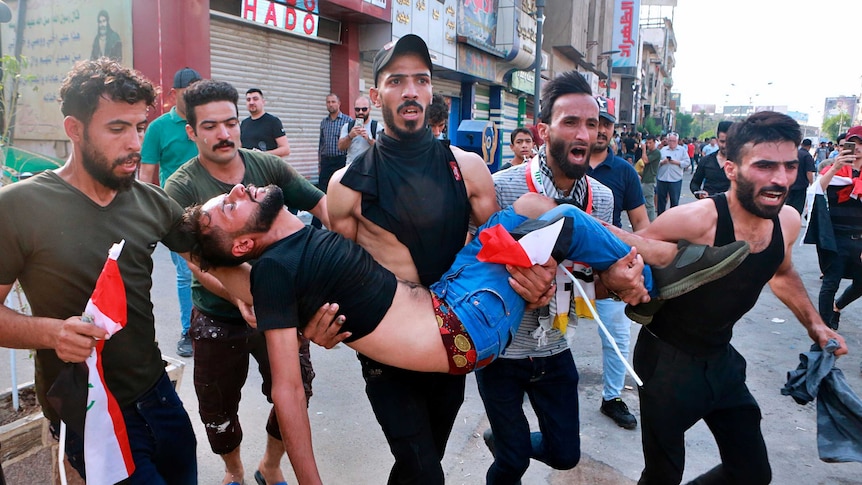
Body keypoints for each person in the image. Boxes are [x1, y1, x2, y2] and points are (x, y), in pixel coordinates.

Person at [183, 182, 751, 484]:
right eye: (224, 209)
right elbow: (286, 387)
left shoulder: (299, 227)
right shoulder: (277, 271)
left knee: (515, 218)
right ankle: (651, 280)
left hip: (451, 296)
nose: (235, 192)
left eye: (229, 193)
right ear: (240, 245)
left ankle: (633, 274)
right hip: (459, 327)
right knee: (566, 221)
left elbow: (202, 249)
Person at [320, 34, 555, 485]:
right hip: (385, 344)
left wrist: (536, 281)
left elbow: (501, 251)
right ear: (376, 95)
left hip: (452, 337)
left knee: (421, 463)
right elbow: (340, 273)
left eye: (421, 80)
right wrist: (324, 324)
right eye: (397, 80)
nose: (410, 90)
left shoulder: (466, 168)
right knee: (426, 472)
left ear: (431, 94)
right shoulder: (346, 186)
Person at [617, 111, 848, 485]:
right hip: (666, 364)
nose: (780, 179)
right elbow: (625, 262)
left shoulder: (786, 221)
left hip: (722, 360)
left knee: (752, 472)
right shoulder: (695, 221)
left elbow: (782, 272)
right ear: (731, 169)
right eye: (764, 165)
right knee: (662, 476)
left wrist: (817, 326)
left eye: (789, 166)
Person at [0, 59, 197, 483]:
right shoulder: (17, 207)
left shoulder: (150, 201)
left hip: (159, 397)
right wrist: (54, 333)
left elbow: (210, 264)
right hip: (91, 411)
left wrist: (271, 298)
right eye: (117, 129)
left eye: (140, 127)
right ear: (74, 129)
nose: (134, 144)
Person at [164, 79, 328, 485]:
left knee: (296, 393)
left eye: (231, 123)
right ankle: (233, 470)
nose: (224, 134)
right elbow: (195, 261)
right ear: (191, 131)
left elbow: (322, 206)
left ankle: (270, 466)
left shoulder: (266, 167)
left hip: (282, 312)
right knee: (216, 407)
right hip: (219, 313)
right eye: (210, 126)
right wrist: (239, 296)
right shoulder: (181, 188)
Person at [480, 72, 634, 483]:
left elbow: (595, 279)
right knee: (511, 464)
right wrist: (521, 287)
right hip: (501, 354)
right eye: (571, 122)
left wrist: (608, 283)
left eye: (592, 123)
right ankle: (509, 448)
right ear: (543, 130)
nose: (585, 133)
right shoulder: (501, 188)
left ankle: (506, 440)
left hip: (555, 347)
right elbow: (477, 273)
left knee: (565, 455)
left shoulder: (600, 198)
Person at [587, 95, 649, 430]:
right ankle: (536, 383)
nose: (601, 129)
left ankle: (612, 397)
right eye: (595, 121)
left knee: (616, 338)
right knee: (554, 333)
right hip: (567, 269)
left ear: (613, 130)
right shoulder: (569, 163)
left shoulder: (624, 172)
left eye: (607, 123)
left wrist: (642, 263)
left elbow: (642, 225)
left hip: (611, 270)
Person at [139, 66, 202, 358]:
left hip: (217, 210)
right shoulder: (158, 128)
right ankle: (190, 331)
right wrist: (148, 213)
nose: (193, 97)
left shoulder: (206, 121)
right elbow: (147, 173)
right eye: (188, 92)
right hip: (178, 214)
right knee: (186, 274)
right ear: (174, 94)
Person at [816, 126, 862, 330]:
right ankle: (823, 331)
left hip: (859, 237)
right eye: (854, 144)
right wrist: (835, 167)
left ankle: (837, 307)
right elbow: (817, 190)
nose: (858, 148)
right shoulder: (836, 170)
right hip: (834, 237)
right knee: (830, 284)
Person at [313, 93, 350, 228]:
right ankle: (316, 225)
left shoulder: (347, 121)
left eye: (333, 102)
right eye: (328, 102)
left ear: (339, 103)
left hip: (341, 161)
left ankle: (339, 224)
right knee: (321, 192)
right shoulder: (324, 122)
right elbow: (320, 144)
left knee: (340, 192)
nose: (330, 104)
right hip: (326, 161)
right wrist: (319, 164)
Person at [241, 88, 291, 158]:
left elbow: (286, 150)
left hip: (267, 167)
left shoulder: (273, 121)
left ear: (263, 102)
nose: (251, 102)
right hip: (248, 168)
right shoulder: (244, 123)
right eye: (248, 100)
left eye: (255, 99)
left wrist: (263, 154)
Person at [690, 121, 732, 199]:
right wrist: (699, 193)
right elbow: (694, 183)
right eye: (722, 141)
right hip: (708, 205)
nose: (725, 145)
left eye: (729, 141)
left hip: (730, 207)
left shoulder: (739, 162)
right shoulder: (706, 160)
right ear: (717, 140)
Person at [338, 95, 380, 165]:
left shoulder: (376, 126)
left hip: (370, 169)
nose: (360, 112)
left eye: (364, 109)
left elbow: (382, 148)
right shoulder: (347, 126)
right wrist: (350, 136)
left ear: (369, 109)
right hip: (351, 168)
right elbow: (340, 147)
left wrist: (369, 139)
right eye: (357, 109)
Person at [656, 132, 691, 215]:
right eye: (670, 141)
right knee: (661, 200)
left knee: (674, 201)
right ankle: (660, 218)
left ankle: (673, 218)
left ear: (677, 141)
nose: (672, 143)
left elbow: (687, 162)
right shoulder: (663, 150)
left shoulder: (682, 150)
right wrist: (662, 162)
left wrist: (677, 162)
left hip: (675, 179)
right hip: (662, 178)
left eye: (674, 141)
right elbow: (656, 163)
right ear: (667, 141)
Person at [786, 138, 816, 213]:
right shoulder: (807, 156)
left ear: (802, 144)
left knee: (788, 204)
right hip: (801, 185)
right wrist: (812, 184)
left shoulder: (794, 153)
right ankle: (794, 222)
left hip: (790, 183)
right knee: (797, 207)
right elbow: (809, 172)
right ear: (809, 146)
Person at [640, 135, 661, 221]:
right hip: (644, 178)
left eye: (650, 143)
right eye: (647, 143)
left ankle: (651, 221)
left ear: (654, 142)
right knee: (644, 202)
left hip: (650, 180)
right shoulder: (649, 152)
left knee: (649, 203)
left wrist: (644, 149)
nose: (648, 145)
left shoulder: (656, 152)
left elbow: (645, 160)